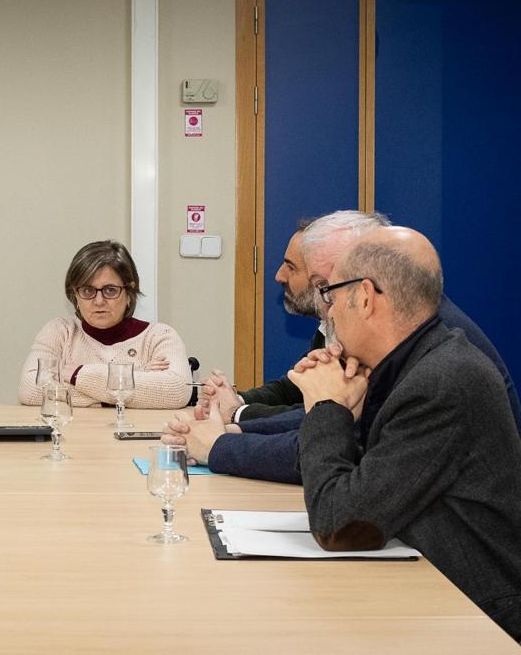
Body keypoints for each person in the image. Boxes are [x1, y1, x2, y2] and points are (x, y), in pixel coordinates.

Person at [165, 212, 521, 483]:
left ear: (364, 287)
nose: (328, 301)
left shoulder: (437, 369)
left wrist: (221, 445)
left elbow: (346, 478)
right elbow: (336, 431)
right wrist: (236, 431)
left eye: (329, 286)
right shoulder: (409, 338)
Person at [290, 227, 521, 640]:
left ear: (364, 297)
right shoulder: (417, 362)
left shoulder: (442, 381)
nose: (327, 310)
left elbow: (338, 524)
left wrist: (327, 408)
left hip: (479, 617)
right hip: (433, 587)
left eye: (331, 295)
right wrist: (349, 414)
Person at [19, 240, 190, 408]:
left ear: (129, 292)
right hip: (74, 435)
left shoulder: (160, 336)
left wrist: (78, 375)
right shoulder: (59, 331)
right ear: (75, 295)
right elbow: (30, 389)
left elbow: (177, 390)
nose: (99, 301)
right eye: (88, 290)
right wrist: (135, 380)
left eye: (110, 290)